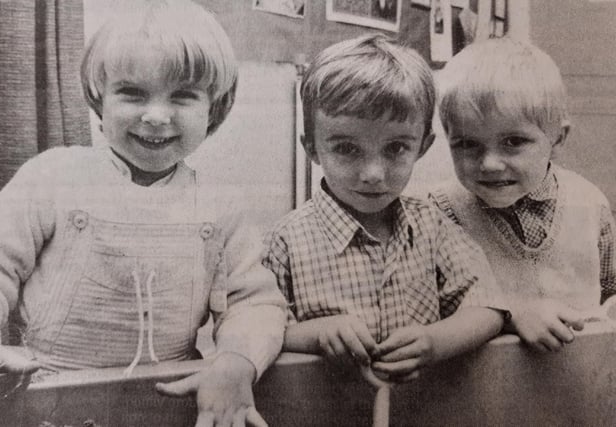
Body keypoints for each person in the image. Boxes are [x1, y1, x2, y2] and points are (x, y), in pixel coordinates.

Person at [0, 1, 286, 425]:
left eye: (182, 96)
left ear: (212, 109)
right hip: (48, 404)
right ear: (99, 97)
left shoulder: (221, 206)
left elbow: (256, 303)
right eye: (132, 93)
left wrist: (236, 360)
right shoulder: (52, 177)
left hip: (169, 404)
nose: (156, 116)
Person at [263, 34, 507, 383]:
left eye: (395, 148)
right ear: (312, 148)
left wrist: (436, 342)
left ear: (422, 147)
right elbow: (256, 330)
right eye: (347, 148)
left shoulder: (433, 227)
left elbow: (488, 307)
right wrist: (317, 334)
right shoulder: (284, 241)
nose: (373, 174)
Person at [431, 37, 616, 353]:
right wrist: (510, 315)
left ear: (557, 137)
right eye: (467, 144)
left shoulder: (589, 202)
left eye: (513, 141)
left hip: (579, 385)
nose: (489, 164)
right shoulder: (439, 212)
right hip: (483, 391)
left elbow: (610, 289)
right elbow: (432, 314)